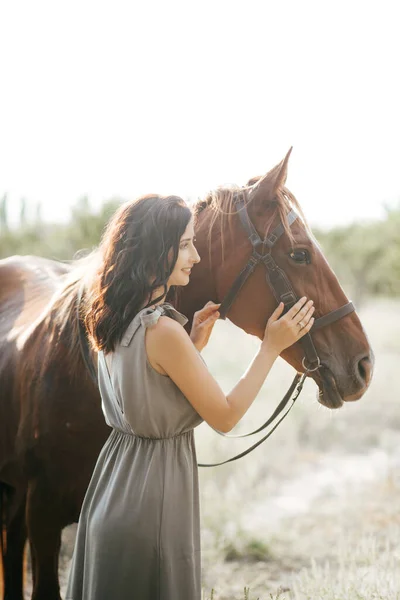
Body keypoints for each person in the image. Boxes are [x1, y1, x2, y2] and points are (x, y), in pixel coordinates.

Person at [65, 193, 314, 600]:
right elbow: (227, 417)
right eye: (184, 244)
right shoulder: (163, 332)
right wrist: (271, 346)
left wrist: (191, 346)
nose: (195, 256)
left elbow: (144, 389)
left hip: (110, 495)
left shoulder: (111, 317)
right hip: (152, 507)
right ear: (152, 251)